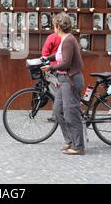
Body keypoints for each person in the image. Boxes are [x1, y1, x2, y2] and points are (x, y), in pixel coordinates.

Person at [41, 13, 85, 155]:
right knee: (58, 110)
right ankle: (70, 140)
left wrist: (50, 67)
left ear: (58, 26)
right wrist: (48, 58)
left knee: (70, 112)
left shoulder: (68, 40)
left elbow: (65, 62)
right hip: (63, 79)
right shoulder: (65, 39)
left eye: (54, 25)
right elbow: (59, 55)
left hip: (70, 80)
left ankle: (78, 146)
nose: (53, 27)